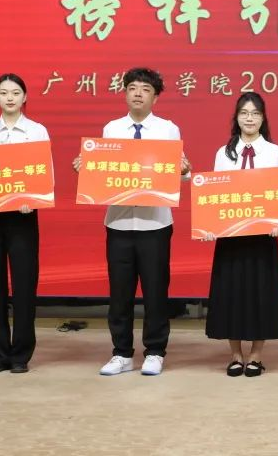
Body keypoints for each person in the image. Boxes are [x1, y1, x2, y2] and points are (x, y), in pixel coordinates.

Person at [74, 67, 191, 377]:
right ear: (125, 93)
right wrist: (86, 167)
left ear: (155, 97)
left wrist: (184, 170)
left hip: (155, 224)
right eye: (133, 88)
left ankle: (155, 351)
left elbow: (178, 172)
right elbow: (104, 172)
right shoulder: (112, 129)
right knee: (120, 293)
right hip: (119, 223)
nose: (138, 93)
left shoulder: (167, 129)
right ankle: (121, 353)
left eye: (146, 89)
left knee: (155, 292)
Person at [0, 73, 49, 374]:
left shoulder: (37, 131)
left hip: (23, 217)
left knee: (25, 284)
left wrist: (33, 199)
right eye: (4, 93)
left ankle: (21, 355)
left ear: (25, 97)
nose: (10, 98)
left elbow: (45, 174)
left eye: (16, 92)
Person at [202, 92, 278, 378]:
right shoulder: (223, 153)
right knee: (232, 293)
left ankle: (256, 356)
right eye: (244, 113)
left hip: (263, 236)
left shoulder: (274, 152)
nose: (249, 118)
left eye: (255, 113)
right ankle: (236, 355)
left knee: (261, 293)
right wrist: (210, 225)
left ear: (263, 119)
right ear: (236, 117)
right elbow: (214, 195)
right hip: (231, 237)